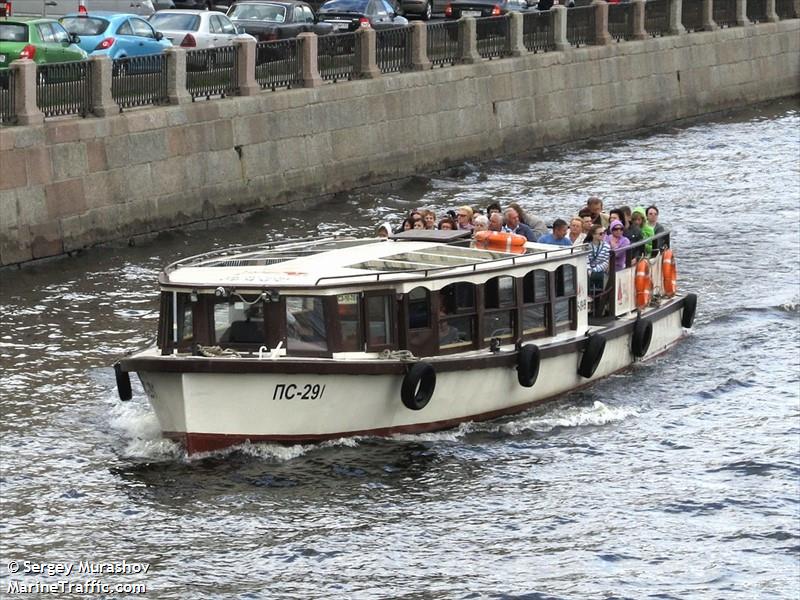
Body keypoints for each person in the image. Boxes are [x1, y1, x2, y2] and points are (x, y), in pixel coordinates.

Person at [586, 224, 611, 296]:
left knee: (599, 276)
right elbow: (586, 259)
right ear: (593, 235)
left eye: (604, 233)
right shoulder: (587, 246)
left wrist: (594, 270)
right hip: (589, 270)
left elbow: (606, 262)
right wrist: (589, 270)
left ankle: (599, 298)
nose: (603, 235)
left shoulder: (606, 246)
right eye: (600, 234)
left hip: (600, 270)